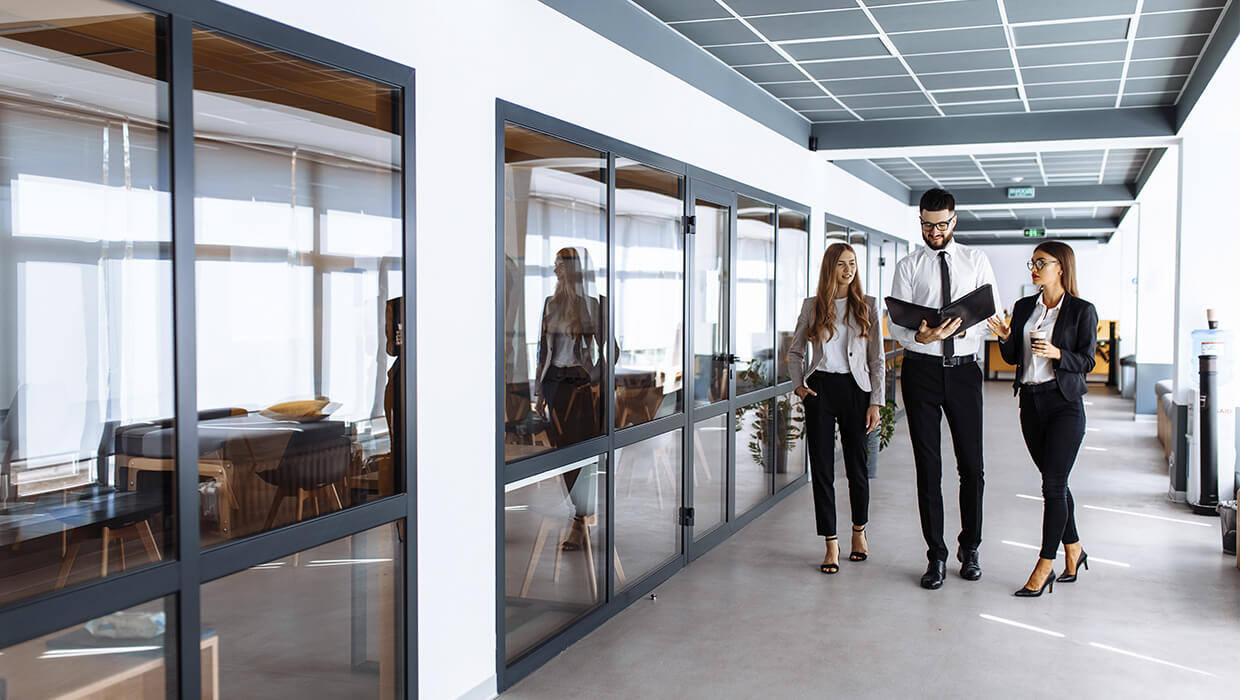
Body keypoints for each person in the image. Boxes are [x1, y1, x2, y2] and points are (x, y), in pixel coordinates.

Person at [889, 188, 1002, 590]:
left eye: (941, 224)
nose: (934, 231)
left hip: (965, 373)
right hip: (921, 371)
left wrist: (978, 324)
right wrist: (922, 337)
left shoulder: (976, 260)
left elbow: (992, 311)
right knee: (928, 468)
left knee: (972, 466)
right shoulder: (908, 266)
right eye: (927, 224)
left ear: (954, 221)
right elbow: (895, 324)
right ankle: (935, 555)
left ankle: (969, 548)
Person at [987, 241, 1097, 597]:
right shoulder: (1023, 308)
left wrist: (1057, 353)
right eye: (1031, 262)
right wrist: (1005, 337)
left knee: (1051, 486)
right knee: (1057, 482)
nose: (1033, 268)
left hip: (1064, 404)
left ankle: (1044, 565)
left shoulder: (1082, 310)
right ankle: (1075, 549)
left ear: (1060, 267)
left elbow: (1088, 361)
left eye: (1041, 262)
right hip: (1031, 404)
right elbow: (1012, 357)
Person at [788, 243, 885, 574]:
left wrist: (876, 401)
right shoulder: (813, 306)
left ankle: (859, 531)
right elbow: (796, 351)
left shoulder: (867, 306)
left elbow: (877, 360)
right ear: (830, 268)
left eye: (853, 263)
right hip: (821, 390)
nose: (849, 270)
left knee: (857, 467)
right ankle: (831, 542)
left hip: (857, 390)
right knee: (823, 470)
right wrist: (799, 386)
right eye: (842, 264)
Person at [535, 246, 605, 550]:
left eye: (560, 266)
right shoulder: (550, 305)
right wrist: (539, 391)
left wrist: (593, 381)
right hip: (554, 387)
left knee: (581, 457)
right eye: (554, 266)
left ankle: (579, 519)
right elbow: (542, 351)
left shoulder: (592, 305)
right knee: (565, 457)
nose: (555, 271)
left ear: (573, 271)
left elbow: (610, 351)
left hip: (580, 387)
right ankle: (581, 513)